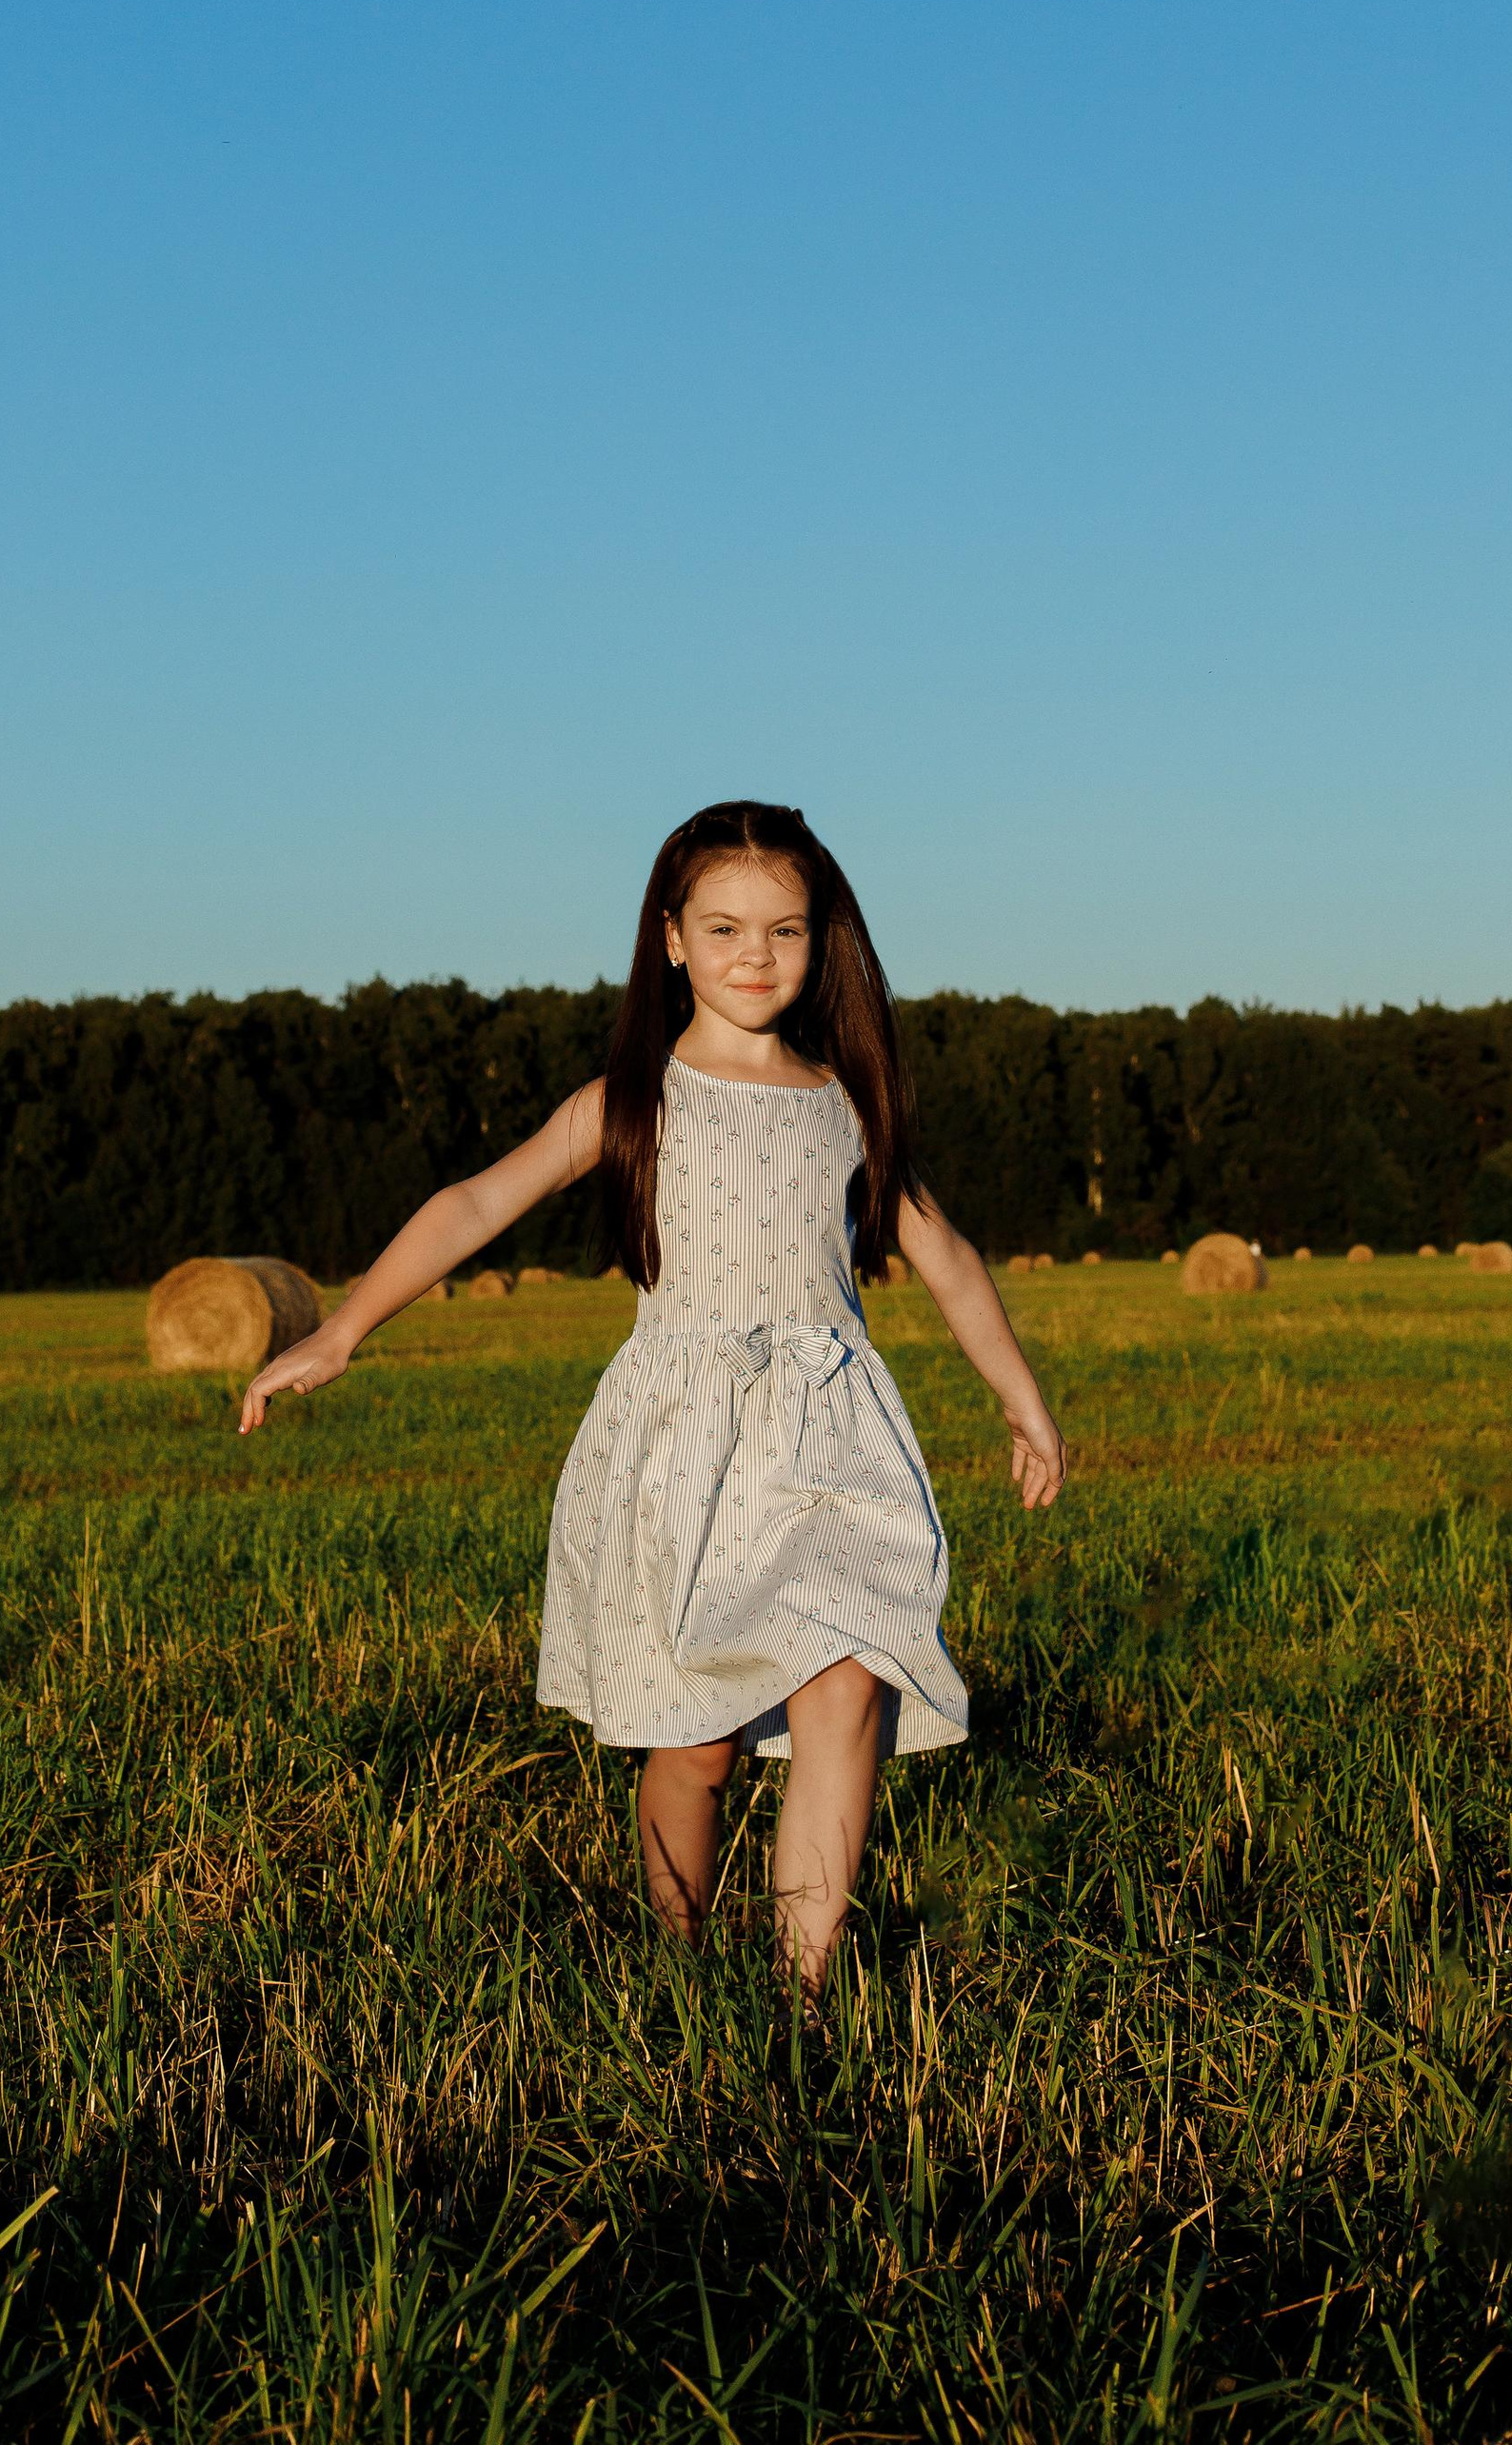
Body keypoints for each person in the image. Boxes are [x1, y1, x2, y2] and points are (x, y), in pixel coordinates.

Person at [239, 798, 1066, 1980]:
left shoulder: (844, 1104)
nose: (754, 955)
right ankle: (675, 1962)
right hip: (683, 1446)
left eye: (783, 930)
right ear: (670, 938)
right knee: (700, 1745)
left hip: (829, 1436)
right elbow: (477, 1201)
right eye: (723, 929)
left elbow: (947, 1258)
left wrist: (1020, 1399)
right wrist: (344, 1327)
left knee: (847, 1689)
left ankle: (803, 1988)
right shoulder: (630, 1098)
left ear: (820, 937)